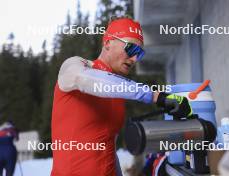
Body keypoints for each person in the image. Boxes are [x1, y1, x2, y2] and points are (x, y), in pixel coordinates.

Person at [51, 16, 192, 176]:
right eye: (131, 49)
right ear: (107, 43)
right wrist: (155, 96)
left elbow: (108, 150)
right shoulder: (74, 66)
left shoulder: (117, 94)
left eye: (139, 54)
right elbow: (87, 79)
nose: (133, 59)